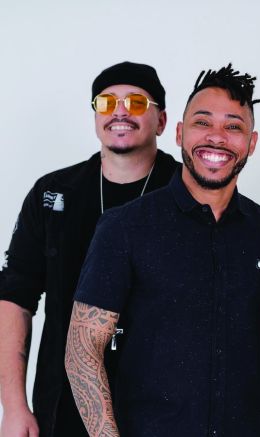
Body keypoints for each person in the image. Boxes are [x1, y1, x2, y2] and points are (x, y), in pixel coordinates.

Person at [64, 64, 260, 437]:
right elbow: (82, 352)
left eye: (233, 127)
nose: (216, 137)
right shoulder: (124, 227)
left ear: (251, 143)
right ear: (180, 133)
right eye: (203, 122)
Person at [0, 61, 178, 437]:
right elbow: (14, 297)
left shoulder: (187, 192)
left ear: (161, 121)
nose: (120, 112)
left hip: (166, 409)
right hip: (64, 407)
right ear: (96, 116)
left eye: (136, 102)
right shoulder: (53, 194)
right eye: (107, 103)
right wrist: (14, 407)